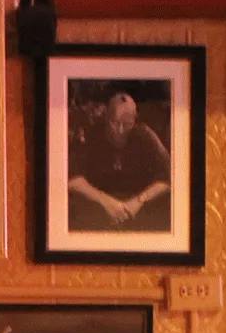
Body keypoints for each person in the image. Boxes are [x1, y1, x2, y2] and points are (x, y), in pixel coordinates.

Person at [67, 89, 171, 232]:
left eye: (127, 123)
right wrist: (106, 202)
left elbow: (168, 177)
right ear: (106, 116)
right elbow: (71, 178)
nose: (120, 130)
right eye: (114, 122)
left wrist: (139, 200)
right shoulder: (91, 135)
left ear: (135, 120)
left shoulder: (145, 136)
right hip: (97, 212)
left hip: (138, 212)